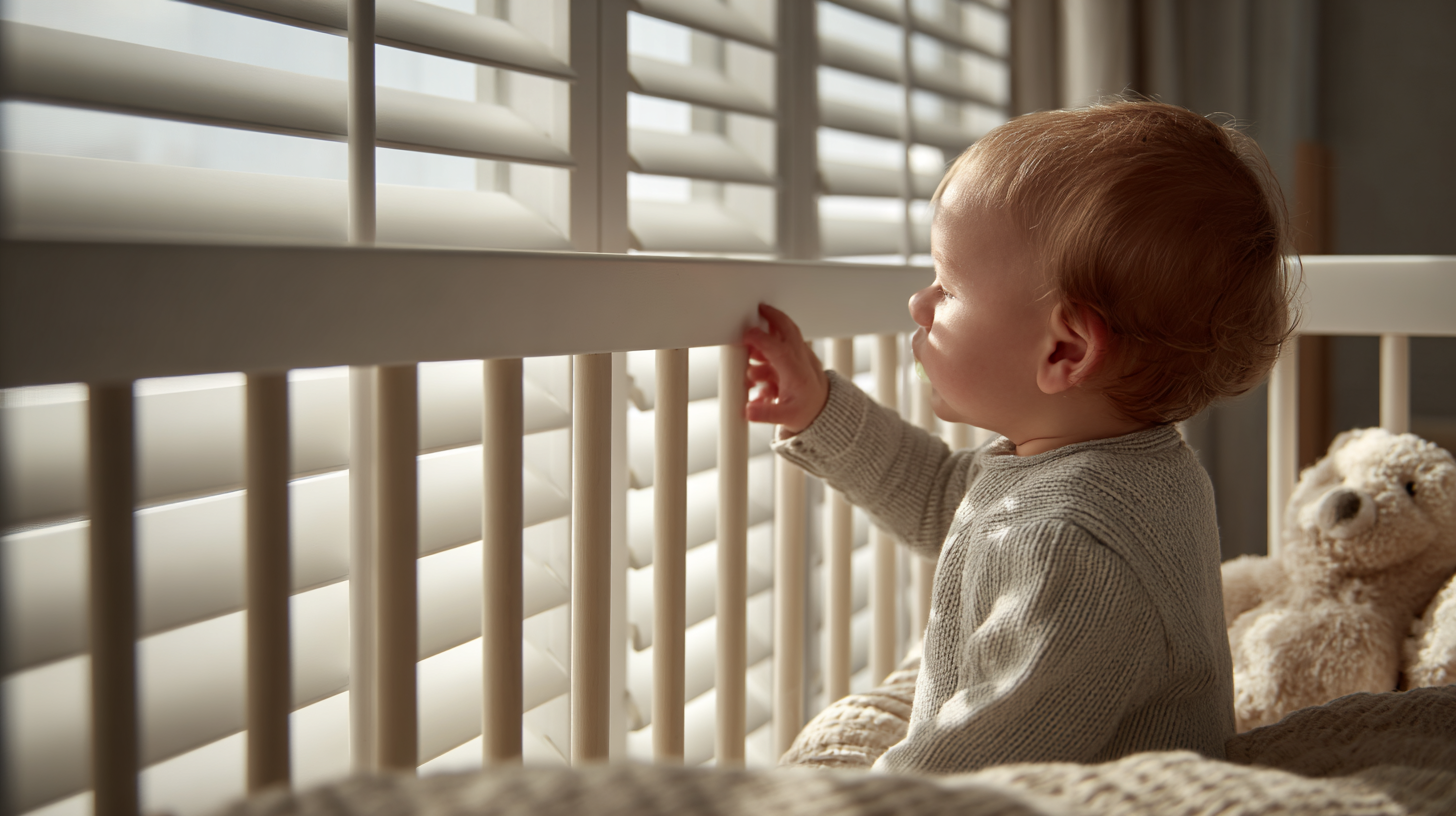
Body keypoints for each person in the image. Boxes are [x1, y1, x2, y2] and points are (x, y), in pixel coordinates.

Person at [742, 100, 1296, 775]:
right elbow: (946, 497)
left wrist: (867, 796)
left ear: (1064, 352)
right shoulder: (1105, 462)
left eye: (947, 287)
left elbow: (984, 746)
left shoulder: (1077, 544)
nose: (919, 304)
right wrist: (819, 409)